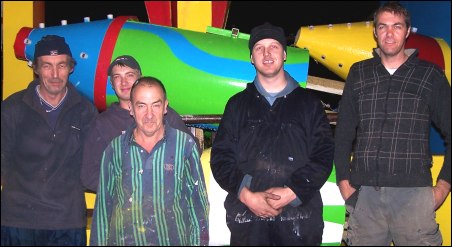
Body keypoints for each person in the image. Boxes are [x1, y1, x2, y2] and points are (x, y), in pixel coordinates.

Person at [334, 2, 451, 246]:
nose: (389, 33)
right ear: (375, 32)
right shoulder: (359, 73)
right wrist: (344, 182)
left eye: (397, 26)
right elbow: (343, 133)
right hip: (364, 198)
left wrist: (442, 188)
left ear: (408, 31)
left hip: (415, 199)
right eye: (383, 26)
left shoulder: (430, 75)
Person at [210, 22, 334, 245]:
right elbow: (220, 158)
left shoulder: (309, 104)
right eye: (259, 48)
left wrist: (292, 191)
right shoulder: (237, 105)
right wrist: (246, 194)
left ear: (285, 54)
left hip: (300, 218)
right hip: (248, 219)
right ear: (251, 58)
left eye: (274, 47)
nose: (267, 54)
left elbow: (323, 155)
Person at [1, 35, 98, 246]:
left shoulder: (85, 110)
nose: (55, 74)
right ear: (36, 68)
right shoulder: (12, 108)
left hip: (67, 222)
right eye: (47, 66)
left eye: (61, 65)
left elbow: (91, 164)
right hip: (18, 221)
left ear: (70, 68)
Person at [89, 76, 209, 246]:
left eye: (156, 105)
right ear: (131, 108)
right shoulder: (114, 149)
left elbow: (198, 206)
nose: (149, 115)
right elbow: (102, 210)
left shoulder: (184, 146)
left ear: (165, 107)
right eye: (141, 106)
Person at [81, 55, 200, 192]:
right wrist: (126, 190)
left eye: (129, 75)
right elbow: (89, 175)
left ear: (140, 77)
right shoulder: (102, 124)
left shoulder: (166, 115)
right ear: (111, 83)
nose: (124, 82)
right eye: (117, 77)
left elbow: (191, 150)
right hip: (122, 208)